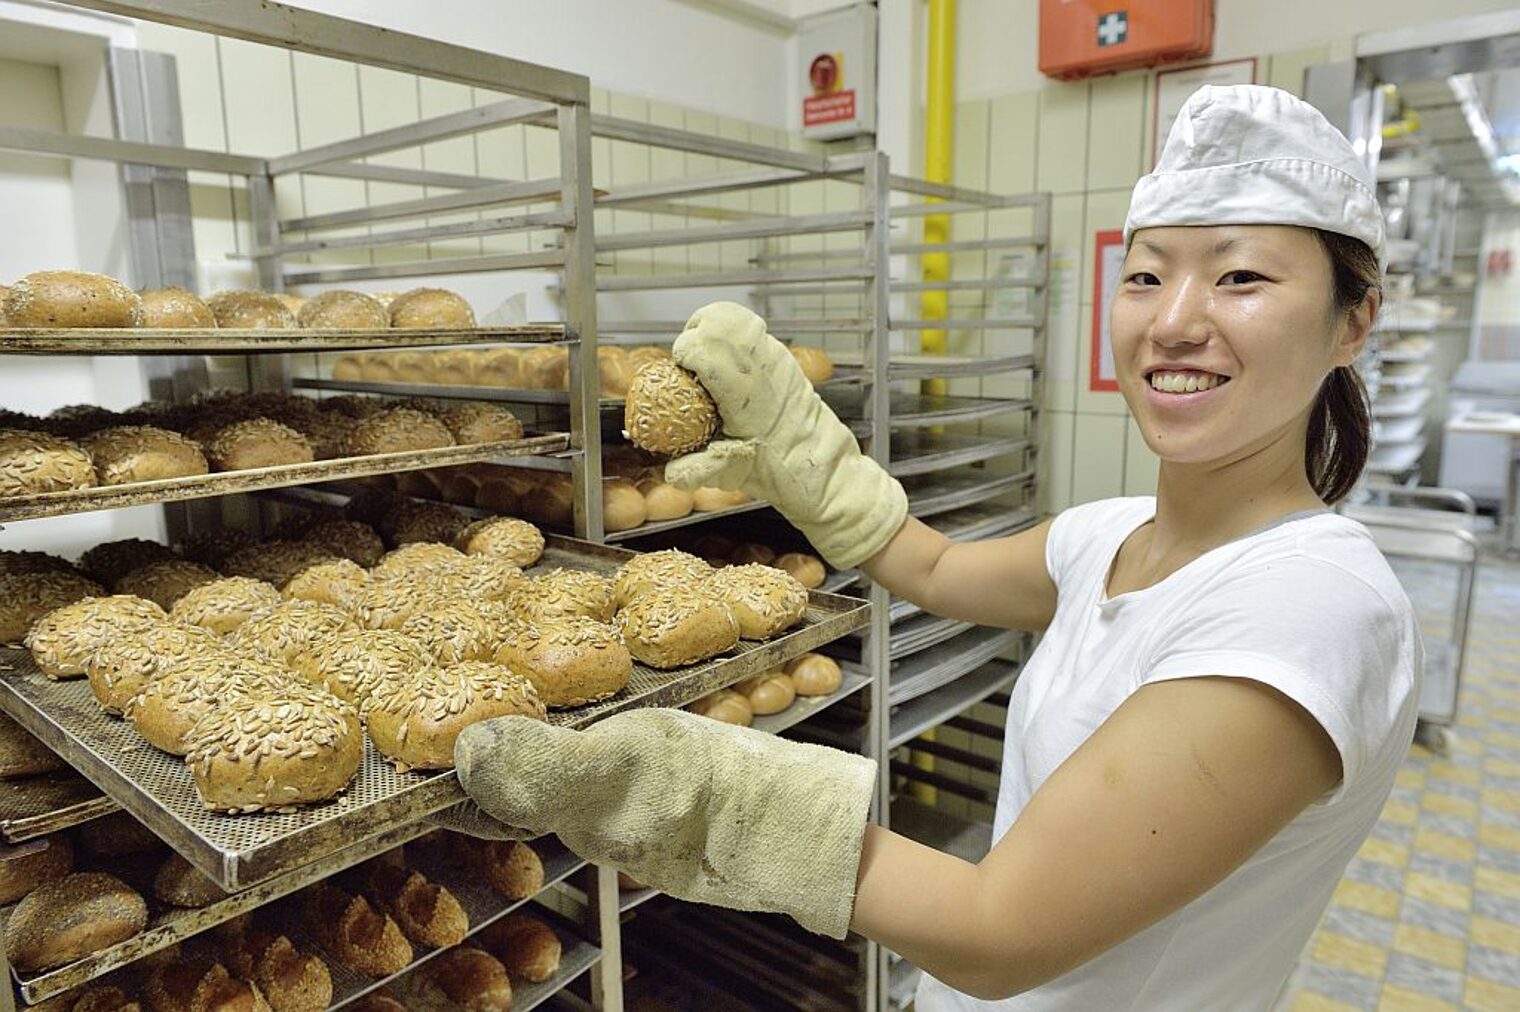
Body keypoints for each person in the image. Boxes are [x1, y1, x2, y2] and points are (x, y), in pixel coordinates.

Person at [448, 85, 1420, 1010]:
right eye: (1145, 273)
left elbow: (999, 929)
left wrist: (699, 794)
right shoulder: (1110, 534)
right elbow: (937, 569)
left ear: (1352, 320)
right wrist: (814, 466)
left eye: (1240, 275)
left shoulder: (1307, 610)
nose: (1172, 321)